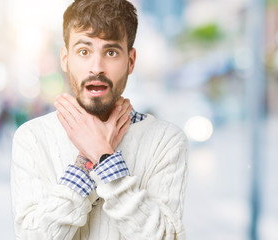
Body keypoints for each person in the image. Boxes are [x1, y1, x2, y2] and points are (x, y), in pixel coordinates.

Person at [10, 0, 188, 239]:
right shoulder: (32, 137)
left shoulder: (166, 140)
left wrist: (106, 158)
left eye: (111, 52)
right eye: (84, 51)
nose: (97, 67)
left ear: (131, 61)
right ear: (65, 58)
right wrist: (87, 160)